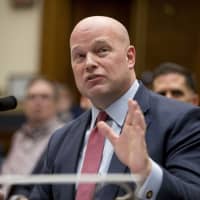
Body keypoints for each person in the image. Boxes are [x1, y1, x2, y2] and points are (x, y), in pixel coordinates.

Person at [25, 16, 200, 200]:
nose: (89, 63)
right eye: (80, 56)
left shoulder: (182, 119)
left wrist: (147, 173)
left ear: (130, 57)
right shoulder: (61, 139)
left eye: (101, 51)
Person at [0, 77, 64, 199]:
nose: (37, 102)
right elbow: (7, 174)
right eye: (31, 97)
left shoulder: (63, 135)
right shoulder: (19, 135)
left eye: (44, 97)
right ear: (24, 103)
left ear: (56, 103)